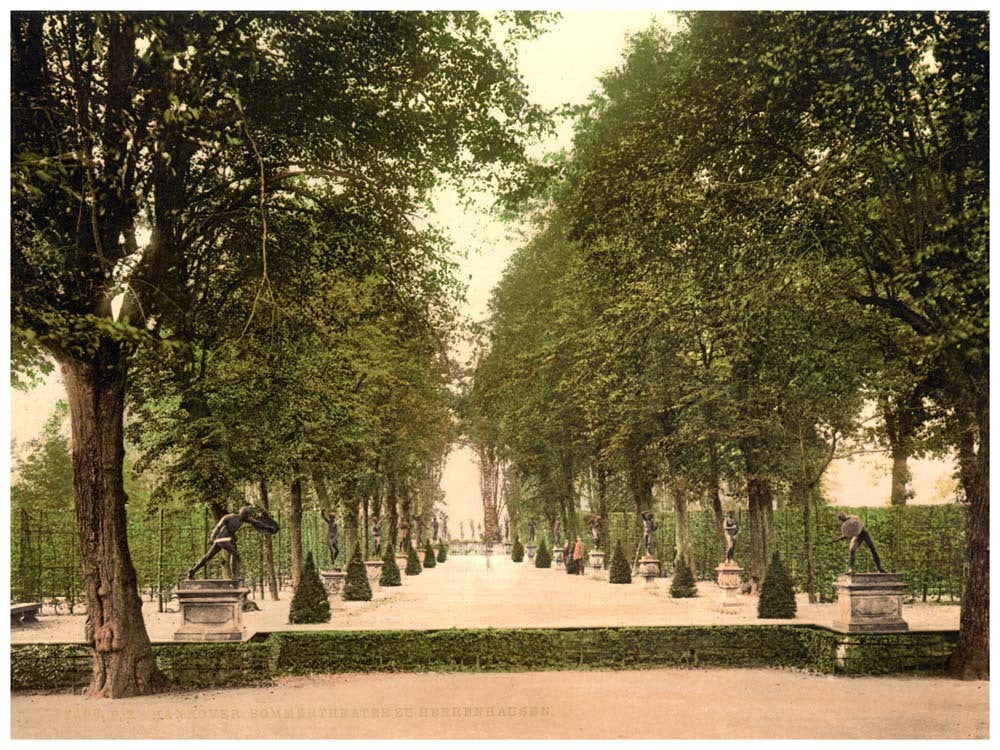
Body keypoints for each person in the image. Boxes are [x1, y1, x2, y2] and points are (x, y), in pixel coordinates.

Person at [188, 506, 278, 580]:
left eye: (247, 515)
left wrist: (268, 527)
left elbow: (257, 523)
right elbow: (218, 526)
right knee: (234, 553)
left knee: (208, 556)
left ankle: (193, 571)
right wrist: (212, 536)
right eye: (245, 515)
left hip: (228, 539)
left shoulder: (245, 519)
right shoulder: (229, 517)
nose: (246, 517)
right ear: (241, 513)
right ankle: (235, 575)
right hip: (222, 538)